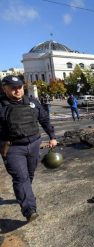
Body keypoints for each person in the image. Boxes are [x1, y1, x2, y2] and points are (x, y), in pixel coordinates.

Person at [0, 75, 57, 222]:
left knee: (29, 174)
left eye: (19, 87)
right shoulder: (1, 105)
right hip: (13, 148)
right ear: (4, 89)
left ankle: (25, 193)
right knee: (20, 177)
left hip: (33, 144)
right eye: (13, 88)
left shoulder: (32, 102)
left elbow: (44, 119)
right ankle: (29, 209)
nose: (17, 90)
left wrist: (52, 136)